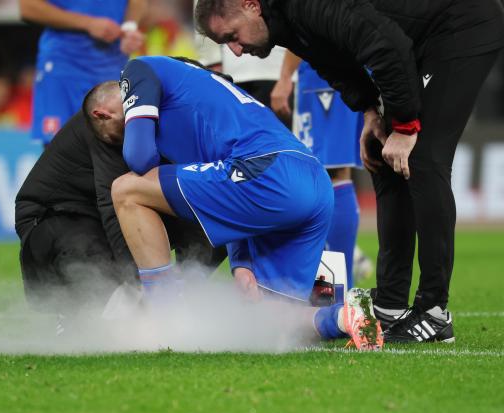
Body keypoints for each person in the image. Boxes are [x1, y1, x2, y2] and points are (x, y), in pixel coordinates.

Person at [195, 0, 504, 343]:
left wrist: (404, 126)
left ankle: (434, 310)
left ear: (250, 5)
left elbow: (385, 46)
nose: (236, 52)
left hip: (460, 24)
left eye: (233, 36)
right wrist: (370, 113)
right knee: (382, 157)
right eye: (227, 45)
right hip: (415, 42)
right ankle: (390, 305)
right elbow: (337, 64)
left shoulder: (306, 6)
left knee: (423, 160)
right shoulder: (284, 24)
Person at [82, 56, 383, 350]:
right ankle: (345, 317)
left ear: (102, 114)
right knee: (266, 327)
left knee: (125, 190)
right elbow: (231, 204)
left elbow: (139, 157)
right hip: (309, 179)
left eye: (114, 137)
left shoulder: (137, 70)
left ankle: (163, 315)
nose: (119, 140)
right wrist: (241, 263)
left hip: (268, 173)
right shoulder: (196, 98)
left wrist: (136, 141)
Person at [15, 110, 226, 313]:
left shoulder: (191, 117)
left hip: (103, 217)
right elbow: (112, 204)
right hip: (53, 221)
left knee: (218, 220)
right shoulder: (111, 126)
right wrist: (136, 281)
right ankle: (85, 317)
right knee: (97, 259)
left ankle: (181, 297)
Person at [273, 51, 366, 289]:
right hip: (339, 69)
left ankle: (335, 290)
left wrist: (285, 77)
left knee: (329, 173)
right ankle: (333, 287)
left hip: (326, 71)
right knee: (331, 174)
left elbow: (302, 22)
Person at [18, 0, 147, 146]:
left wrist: (129, 27)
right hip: (64, 65)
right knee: (58, 147)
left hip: (111, 66)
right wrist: (88, 23)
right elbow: (28, 7)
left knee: (114, 148)